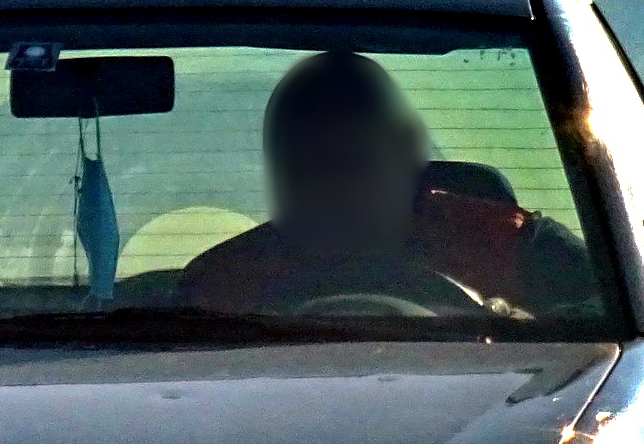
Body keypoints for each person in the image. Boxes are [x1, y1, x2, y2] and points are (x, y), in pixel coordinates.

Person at [178, 50, 586, 315]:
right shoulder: (220, 286)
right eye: (298, 169)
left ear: (407, 150)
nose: (322, 191)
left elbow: (620, 339)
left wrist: (512, 321)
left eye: (346, 164)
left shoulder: (513, 247)